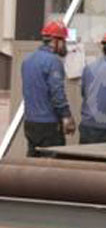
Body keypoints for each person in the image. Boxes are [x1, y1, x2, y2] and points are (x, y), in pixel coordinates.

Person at [22, 20, 76, 157]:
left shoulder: (28, 60)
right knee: (52, 165)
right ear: (55, 41)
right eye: (63, 41)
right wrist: (66, 116)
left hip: (30, 123)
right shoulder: (53, 61)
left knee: (33, 163)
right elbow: (57, 93)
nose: (64, 45)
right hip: (49, 125)